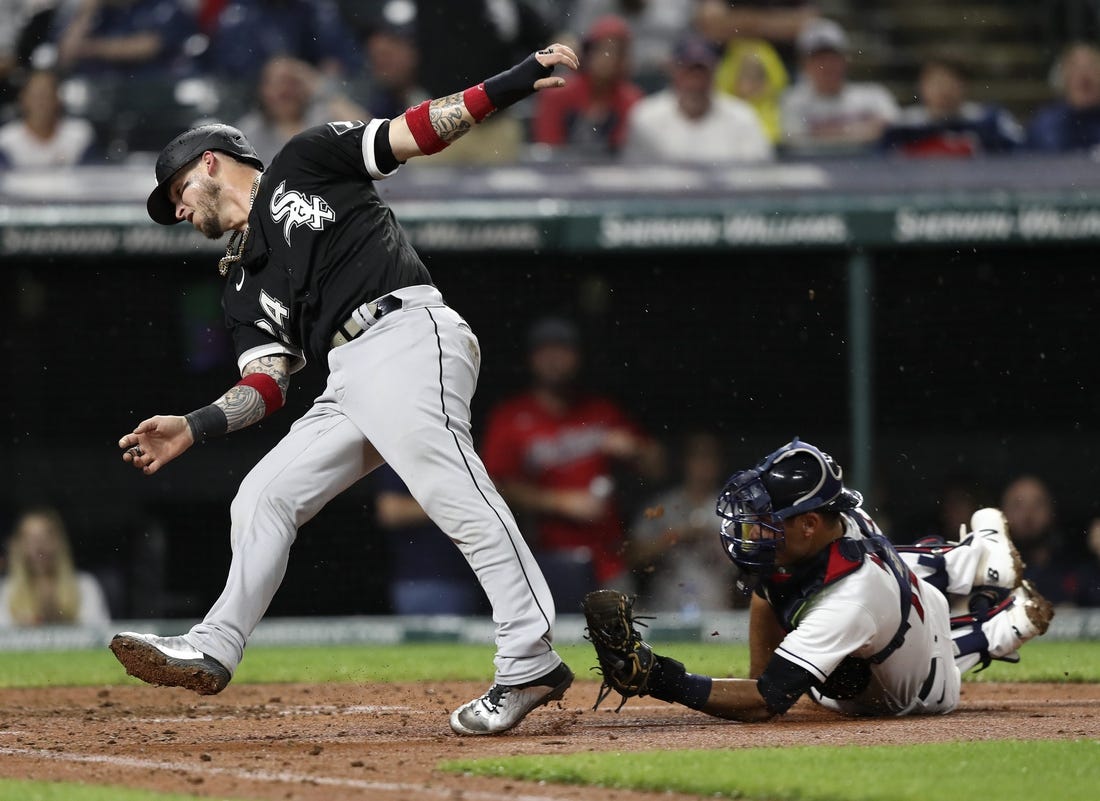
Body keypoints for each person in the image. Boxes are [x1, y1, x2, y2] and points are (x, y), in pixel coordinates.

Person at [108, 41, 581, 737]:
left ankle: (528, 657)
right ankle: (214, 643)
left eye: (177, 192)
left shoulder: (303, 158)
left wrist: (508, 83)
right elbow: (266, 385)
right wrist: (194, 424)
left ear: (209, 160)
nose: (178, 210)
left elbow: (411, 132)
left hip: (407, 330)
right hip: (349, 372)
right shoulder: (240, 281)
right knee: (265, 494)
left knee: (451, 490)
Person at [583, 439, 1053, 721]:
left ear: (808, 524)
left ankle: (998, 627)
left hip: (906, 692)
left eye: (769, 517)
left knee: (838, 681)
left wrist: (659, 677)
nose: (752, 524)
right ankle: (979, 566)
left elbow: (767, 699)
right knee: (895, 582)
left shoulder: (849, 599)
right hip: (913, 606)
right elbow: (770, 589)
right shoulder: (841, 520)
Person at [480, 317, 664, 602]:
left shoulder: (601, 410)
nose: (554, 359)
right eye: (545, 351)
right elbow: (493, 485)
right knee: (551, 639)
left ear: (577, 357)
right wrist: (559, 501)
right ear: (531, 359)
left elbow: (657, 468)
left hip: (608, 557)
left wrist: (636, 448)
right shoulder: (511, 417)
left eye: (562, 350)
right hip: (544, 558)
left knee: (620, 639)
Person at [628, 431, 738, 614]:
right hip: (665, 608)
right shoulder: (662, 507)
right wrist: (674, 537)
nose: (703, 465)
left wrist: (715, 542)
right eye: (696, 457)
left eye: (709, 457)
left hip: (716, 609)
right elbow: (633, 557)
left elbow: (751, 567)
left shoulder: (732, 509)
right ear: (684, 462)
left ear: (719, 463)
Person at [621, 32, 772, 164]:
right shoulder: (646, 117)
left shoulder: (742, 117)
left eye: (702, 73)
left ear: (714, 73)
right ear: (673, 71)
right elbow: (634, 180)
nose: (695, 83)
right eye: (689, 72)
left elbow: (758, 178)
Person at [374, 464, 484, 615]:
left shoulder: (463, 455)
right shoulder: (402, 453)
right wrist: (453, 506)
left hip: (466, 576)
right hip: (420, 578)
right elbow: (391, 511)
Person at [779, 17, 899, 157]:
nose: (827, 65)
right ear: (804, 64)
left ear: (845, 59)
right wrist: (865, 130)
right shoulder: (792, 101)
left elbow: (894, 133)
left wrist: (821, 133)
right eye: (818, 58)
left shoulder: (875, 95)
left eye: (833, 57)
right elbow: (793, 141)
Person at [530, 14, 643, 157]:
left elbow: (626, 152)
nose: (608, 59)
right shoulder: (557, 93)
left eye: (617, 53)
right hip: (559, 173)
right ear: (587, 53)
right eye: (601, 50)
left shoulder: (632, 100)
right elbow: (547, 147)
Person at [234, 55, 366, 163]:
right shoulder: (250, 132)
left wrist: (318, 83)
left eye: (292, 83)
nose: (284, 91)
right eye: (277, 83)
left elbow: (367, 135)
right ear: (263, 90)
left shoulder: (323, 116)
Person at [880, 59, 1024, 157]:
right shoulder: (901, 128)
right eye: (937, 83)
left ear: (964, 86)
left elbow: (1020, 156)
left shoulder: (991, 122)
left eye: (950, 83)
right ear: (922, 87)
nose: (944, 91)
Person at [0, 507, 111, 627]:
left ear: (58, 542)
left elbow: (101, 634)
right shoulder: (6, 590)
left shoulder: (85, 585)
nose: (38, 546)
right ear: (19, 545)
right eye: (29, 539)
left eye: (45, 537)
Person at [1000, 475, 1075, 605]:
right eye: (1017, 505)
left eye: (1038, 505)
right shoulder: (984, 576)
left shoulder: (1074, 572)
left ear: (1052, 512)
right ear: (1001, 513)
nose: (1028, 515)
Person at [0, 67, 96, 167]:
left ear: (57, 99)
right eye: (36, 96)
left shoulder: (79, 135)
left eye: (46, 95)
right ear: (23, 99)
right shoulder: (7, 140)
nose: (41, 103)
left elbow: (92, 174)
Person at [1027, 43, 1100, 153]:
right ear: (1062, 78)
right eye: (1076, 68)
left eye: (1091, 67)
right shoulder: (1045, 126)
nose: (1084, 74)